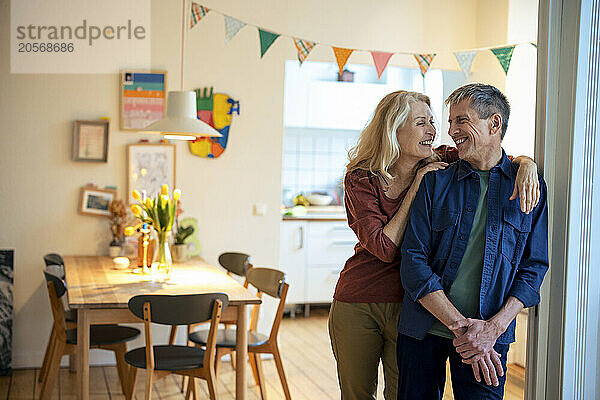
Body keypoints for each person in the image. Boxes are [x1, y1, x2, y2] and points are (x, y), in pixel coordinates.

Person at [327, 90, 540, 400]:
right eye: (421, 123)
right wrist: (416, 185)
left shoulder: (441, 159)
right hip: (361, 299)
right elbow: (384, 248)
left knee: (400, 393)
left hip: (411, 304)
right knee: (357, 395)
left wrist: (528, 164)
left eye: (433, 122)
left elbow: (492, 153)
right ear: (394, 130)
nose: (435, 131)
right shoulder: (362, 179)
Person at [397, 83, 549, 400]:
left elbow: (533, 268)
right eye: (449, 122)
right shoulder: (434, 182)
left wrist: (492, 330)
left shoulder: (530, 187)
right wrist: (465, 330)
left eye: (460, 121)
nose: (450, 131)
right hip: (424, 331)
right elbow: (413, 262)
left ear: (494, 123)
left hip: (490, 339)